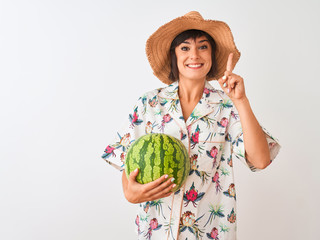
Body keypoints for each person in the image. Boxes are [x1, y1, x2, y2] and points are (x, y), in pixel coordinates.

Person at [101, 11, 281, 240]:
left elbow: (261, 160)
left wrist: (241, 101)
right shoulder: (149, 103)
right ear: (174, 55)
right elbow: (127, 169)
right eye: (185, 48)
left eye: (203, 47)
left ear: (213, 55)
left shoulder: (227, 106)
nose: (194, 55)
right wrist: (131, 193)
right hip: (155, 233)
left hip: (209, 234)